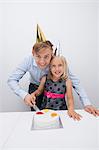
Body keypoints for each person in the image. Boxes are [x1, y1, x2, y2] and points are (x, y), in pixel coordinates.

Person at [7, 40, 99, 116]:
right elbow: (12, 80)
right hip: (35, 89)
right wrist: (25, 95)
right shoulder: (27, 60)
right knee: (38, 116)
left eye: (46, 57)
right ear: (33, 53)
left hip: (55, 91)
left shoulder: (56, 62)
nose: (42, 62)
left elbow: (75, 82)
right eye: (38, 56)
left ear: (51, 53)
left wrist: (87, 103)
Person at [31, 55, 82, 120]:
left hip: (61, 111)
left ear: (64, 67)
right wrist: (33, 94)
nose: (57, 69)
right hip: (45, 111)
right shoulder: (45, 78)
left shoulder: (67, 82)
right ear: (50, 67)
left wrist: (71, 109)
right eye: (53, 66)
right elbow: (39, 91)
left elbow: (70, 99)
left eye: (60, 65)